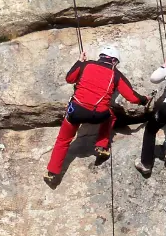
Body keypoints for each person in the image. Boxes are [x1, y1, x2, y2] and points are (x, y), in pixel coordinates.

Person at [45, 46, 148, 188]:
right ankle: (101, 145)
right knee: (110, 116)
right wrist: (144, 100)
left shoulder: (86, 65)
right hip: (98, 114)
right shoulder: (116, 74)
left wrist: (79, 62)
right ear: (114, 61)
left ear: (101, 56)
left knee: (63, 140)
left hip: (76, 110)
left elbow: (70, 79)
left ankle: (52, 172)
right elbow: (131, 96)